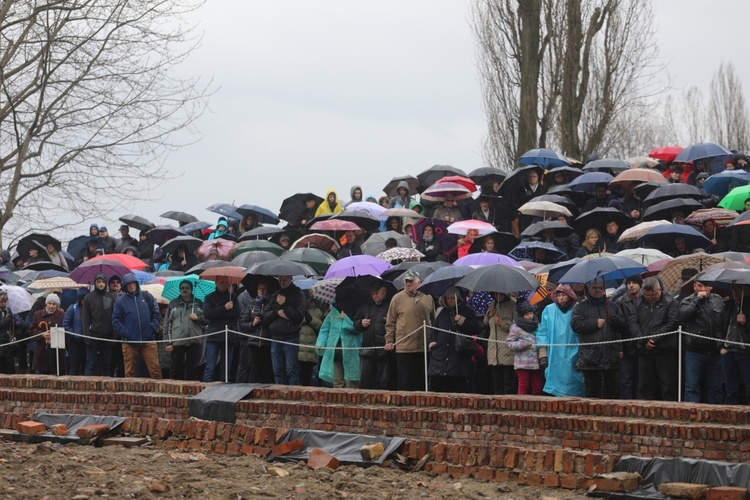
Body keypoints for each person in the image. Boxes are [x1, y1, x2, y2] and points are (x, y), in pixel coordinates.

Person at [570, 278, 623, 399]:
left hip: (611, 355)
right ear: (589, 288)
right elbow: (575, 325)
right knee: (592, 391)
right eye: (595, 288)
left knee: (612, 390)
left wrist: (618, 322)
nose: (598, 290)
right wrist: (594, 323)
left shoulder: (613, 306)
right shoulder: (580, 307)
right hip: (591, 357)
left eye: (600, 288)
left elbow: (622, 329)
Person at [384, 270, 436, 391]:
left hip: (423, 347)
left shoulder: (428, 297)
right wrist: (389, 340)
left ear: (419, 282)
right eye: (406, 281)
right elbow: (390, 323)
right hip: (404, 348)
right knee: (404, 382)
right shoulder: (397, 298)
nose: (408, 283)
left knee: (422, 381)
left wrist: (432, 341)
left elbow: (433, 321)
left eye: (411, 281)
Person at [629, 277, 679, 401]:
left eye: (653, 295)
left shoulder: (671, 302)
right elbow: (633, 323)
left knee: (667, 384)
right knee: (645, 385)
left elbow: (672, 323)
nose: (650, 298)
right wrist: (643, 340)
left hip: (665, 349)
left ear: (660, 290)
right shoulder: (638, 303)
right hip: (644, 350)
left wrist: (654, 339)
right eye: (647, 296)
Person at [679, 279, 724, 404]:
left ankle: (716, 416)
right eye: (700, 286)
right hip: (695, 350)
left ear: (711, 287)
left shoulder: (718, 299)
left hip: (715, 350)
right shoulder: (687, 300)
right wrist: (697, 300)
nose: (703, 288)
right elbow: (683, 316)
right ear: (694, 287)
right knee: (692, 387)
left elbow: (722, 322)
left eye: (706, 285)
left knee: (716, 387)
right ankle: (692, 416)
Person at [535, 285, 585, 397]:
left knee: (573, 379)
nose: (561, 298)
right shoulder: (549, 309)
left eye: (564, 295)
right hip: (554, 353)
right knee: (554, 379)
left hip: (573, 350)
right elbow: (543, 331)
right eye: (559, 295)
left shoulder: (578, 308)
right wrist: (542, 354)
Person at [428, 287, 480, 393]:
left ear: (459, 298)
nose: (450, 301)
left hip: (459, 353)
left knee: (456, 384)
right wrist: (433, 344)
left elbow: (475, 328)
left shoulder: (468, 311)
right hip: (441, 354)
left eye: (453, 298)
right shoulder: (443, 313)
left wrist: (461, 320)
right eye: (448, 298)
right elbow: (434, 329)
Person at [112, 273, 162, 379]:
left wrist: (152, 329)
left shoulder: (147, 296)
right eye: (128, 284)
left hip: (148, 340)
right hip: (129, 342)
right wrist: (127, 333)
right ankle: (129, 395)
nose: (131, 285)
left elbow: (156, 314)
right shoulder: (120, 301)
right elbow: (116, 321)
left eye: (133, 283)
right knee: (129, 372)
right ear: (125, 286)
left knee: (155, 370)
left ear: (136, 284)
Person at [262, 275, 306, 385]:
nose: (282, 282)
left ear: (291, 279)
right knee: (277, 371)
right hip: (275, 336)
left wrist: (284, 305)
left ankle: (292, 394)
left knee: (291, 370)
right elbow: (265, 317)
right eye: (280, 280)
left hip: (291, 336)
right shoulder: (275, 295)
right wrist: (276, 313)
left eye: (285, 280)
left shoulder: (298, 295)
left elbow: (298, 317)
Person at [353, 282, 395, 390]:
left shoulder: (390, 306)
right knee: (365, 381)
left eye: (377, 293)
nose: (375, 296)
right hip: (367, 348)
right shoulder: (365, 306)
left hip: (383, 350)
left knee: (384, 381)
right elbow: (355, 322)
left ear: (384, 293)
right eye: (373, 293)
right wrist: (360, 323)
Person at [164, 280, 205, 381]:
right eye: (182, 288)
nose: (184, 290)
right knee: (176, 369)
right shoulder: (173, 303)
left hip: (194, 340)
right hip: (177, 341)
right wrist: (168, 342)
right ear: (179, 290)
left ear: (191, 289)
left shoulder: (199, 303)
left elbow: (207, 320)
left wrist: (198, 318)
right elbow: (167, 323)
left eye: (187, 288)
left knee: (193, 370)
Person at [202, 276, 240, 382]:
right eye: (221, 282)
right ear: (216, 282)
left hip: (229, 336)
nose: (224, 284)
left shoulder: (233, 297)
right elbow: (207, 314)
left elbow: (236, 314)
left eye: (226, 282)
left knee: (226, 369)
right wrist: (224, 308)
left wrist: (219, 313)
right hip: (214, 335)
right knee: (210, 367)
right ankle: (206, 392)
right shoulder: (209, 297)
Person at [237, 279, 275, 384]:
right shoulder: (251, 305)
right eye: (260, 289)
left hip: (267, 341)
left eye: (264, 289)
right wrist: (252, 324)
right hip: (253, 342)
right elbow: (242, 324)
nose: (262, 291)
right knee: (254, 370)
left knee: (267, 370)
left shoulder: (271, 305)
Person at [316, 303, 361, 388]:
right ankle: (338, 401)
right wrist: (320, 343)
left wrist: (346, 318)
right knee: (337, 382)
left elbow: (357, 329)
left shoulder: (355, 312)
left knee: (351, 382)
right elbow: (324, 330)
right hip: (335, 353)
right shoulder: (332, 314)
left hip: (351, 353)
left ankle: (350, 401)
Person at [82, 272, 116, 377]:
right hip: (93, 335)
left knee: (107, 364)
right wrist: (87, 337)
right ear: (95, 283)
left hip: (107, 336)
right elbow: (85, 319)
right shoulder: (88, 298)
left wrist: (114, 336)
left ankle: (107, 389)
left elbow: (115, 317)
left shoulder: (111, 297)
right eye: (98, 282)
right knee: (90, 363)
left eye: (103, 282)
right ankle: (86, 388)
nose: (101, 284)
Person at [613, 275, 642, 399]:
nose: (631, 285)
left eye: (634, 283)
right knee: (626, 379)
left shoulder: (645, 300)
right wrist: (619, 347)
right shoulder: (620, 302)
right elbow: (617, 328)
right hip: (626, 346)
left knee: (641, 380)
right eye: (628, 283)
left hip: (642, 346)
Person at [506, 300, 543, 395]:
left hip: (536, 363)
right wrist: (522, 344)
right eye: (527, 314)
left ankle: (536, 406)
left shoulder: (538, 326)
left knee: (538, 387)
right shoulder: (515, 328)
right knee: (523, 386)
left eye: (531, 313)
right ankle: (521, 406)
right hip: (522, 363)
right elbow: (509, 343)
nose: (530, 316)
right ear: (521, 315)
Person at [721, 285, 750, 404]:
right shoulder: (728, 305)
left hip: (745, 352)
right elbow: (721, 327)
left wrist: (745, 323)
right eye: (733, 289)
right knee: (730, 389)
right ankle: (730, 416)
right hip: (729, 351)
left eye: (739, 289)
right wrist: (721, 346)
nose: (735, 292)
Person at [484, 292, 517, 394]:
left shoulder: (513, 304)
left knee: (508, 380)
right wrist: (489, 316)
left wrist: (503, 323)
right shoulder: (493, 303)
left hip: (507, 349)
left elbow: (518, 326)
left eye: (500, 294)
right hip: (494, 350)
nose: (497, 296)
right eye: (495, 294)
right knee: (496, 381)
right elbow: (485, 322)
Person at [30, 293, 66, 375]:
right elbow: (32, 329)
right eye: (49, 303)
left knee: (57, 371)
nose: (51, 306)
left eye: (54, 304)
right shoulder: (37, 314)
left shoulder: (62, 315)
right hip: (42, 348)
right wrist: (41, 334)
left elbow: (65, 329)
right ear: (46, 303)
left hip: (57, 349)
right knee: (43, 373)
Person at [298, 290, 323, 386]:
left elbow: (321, 326)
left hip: (312, 349)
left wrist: (310, 319)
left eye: (307, 299)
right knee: (300, 376)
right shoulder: (298, 309)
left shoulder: (317, 311)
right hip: (300, 350)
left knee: (313, 376)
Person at [0, 291, 22, 374]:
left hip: (9, 344)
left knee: (10, 371)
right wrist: (8, 319)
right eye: (1, 302)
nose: (3, 304)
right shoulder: (7, 315)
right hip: (1, 344)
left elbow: (17, 324)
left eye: (4, 302)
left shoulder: (8, 311)